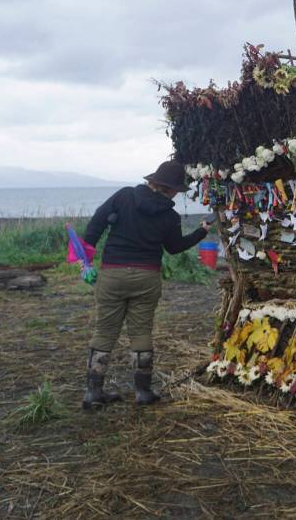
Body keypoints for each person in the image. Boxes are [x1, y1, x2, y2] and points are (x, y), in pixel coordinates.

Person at [81, 160, 212, 409]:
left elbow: (96, 224)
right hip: (146, 277)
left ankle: (93, 393)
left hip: (112, 274)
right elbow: (174, 248)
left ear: (153, 181)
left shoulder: (124, 196)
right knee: (141, 332)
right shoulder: (169, 216)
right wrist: (201, 232)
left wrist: (85, 260)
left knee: (105, 331)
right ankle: (143, 392)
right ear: (172, 189)